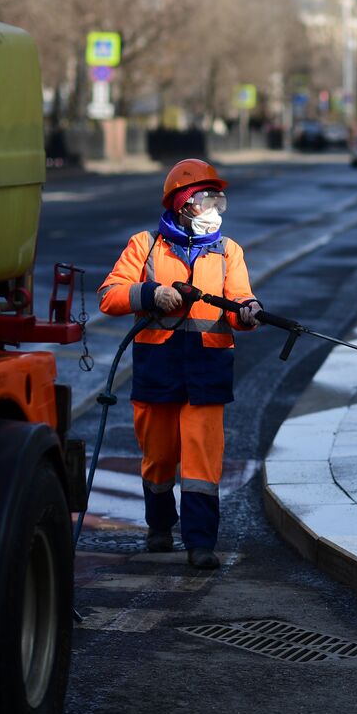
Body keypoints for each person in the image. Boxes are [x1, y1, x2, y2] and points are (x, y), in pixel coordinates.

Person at [99, 159, 262, 568]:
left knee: (201, 458)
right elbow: (110, 296)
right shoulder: (145, 246)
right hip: (158, 368)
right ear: (182, 204)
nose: (214, 209)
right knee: (159, 456)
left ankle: (200, 543)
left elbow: (240, 297)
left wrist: (249, 311)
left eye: (217, 200)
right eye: (206, 200)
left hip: (207, 371)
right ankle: (159, 526)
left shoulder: (229, 252)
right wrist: (150, 293)